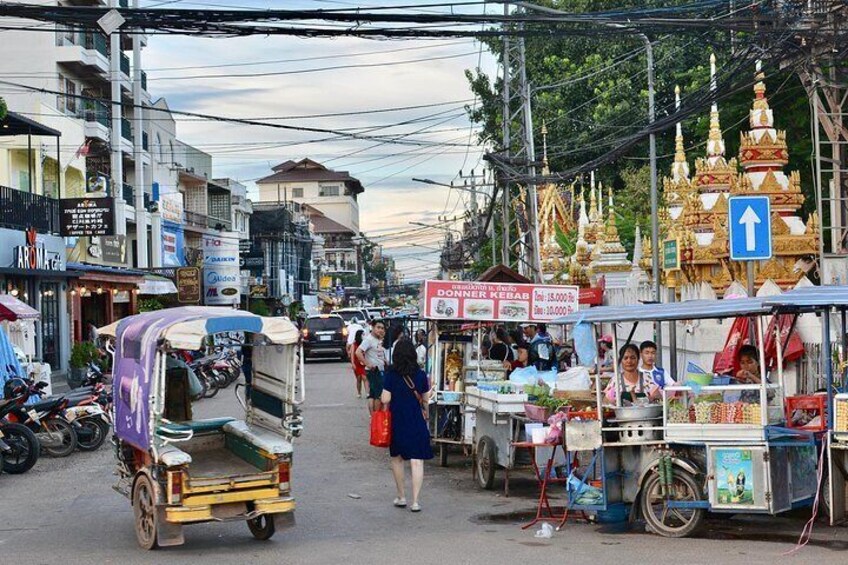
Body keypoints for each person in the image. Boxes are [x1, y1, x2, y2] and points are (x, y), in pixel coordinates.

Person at [380, 339, 433, 512]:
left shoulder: (391, 374)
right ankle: (416, 501)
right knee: (417, 461)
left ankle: (401, 496)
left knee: (398, 458)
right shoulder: (420, 374)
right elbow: (425, 399)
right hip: (416, 420)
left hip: (398, 421)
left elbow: (385, 399)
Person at [356, 320, 387, 414]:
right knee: (378, 395)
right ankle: (377, 416)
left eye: (382, 328)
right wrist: (368, 364)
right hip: (374, 371)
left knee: (372, 395)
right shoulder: (368, 340)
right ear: (372, 328)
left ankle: (373, 416)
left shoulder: (378, 339)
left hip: (378, 369)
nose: (380, 330)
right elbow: (358, 352)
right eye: (378, 327)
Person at [351, 330, 368, 398]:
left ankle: (367, 392)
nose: (364, 336)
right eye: (362, 335)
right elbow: (352, 354)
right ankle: (359, 392)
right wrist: (352, 363)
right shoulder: (354, 344)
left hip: (363, 362)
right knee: (358, 378)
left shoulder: (364, 343)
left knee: (365, 377)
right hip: (357, 363)